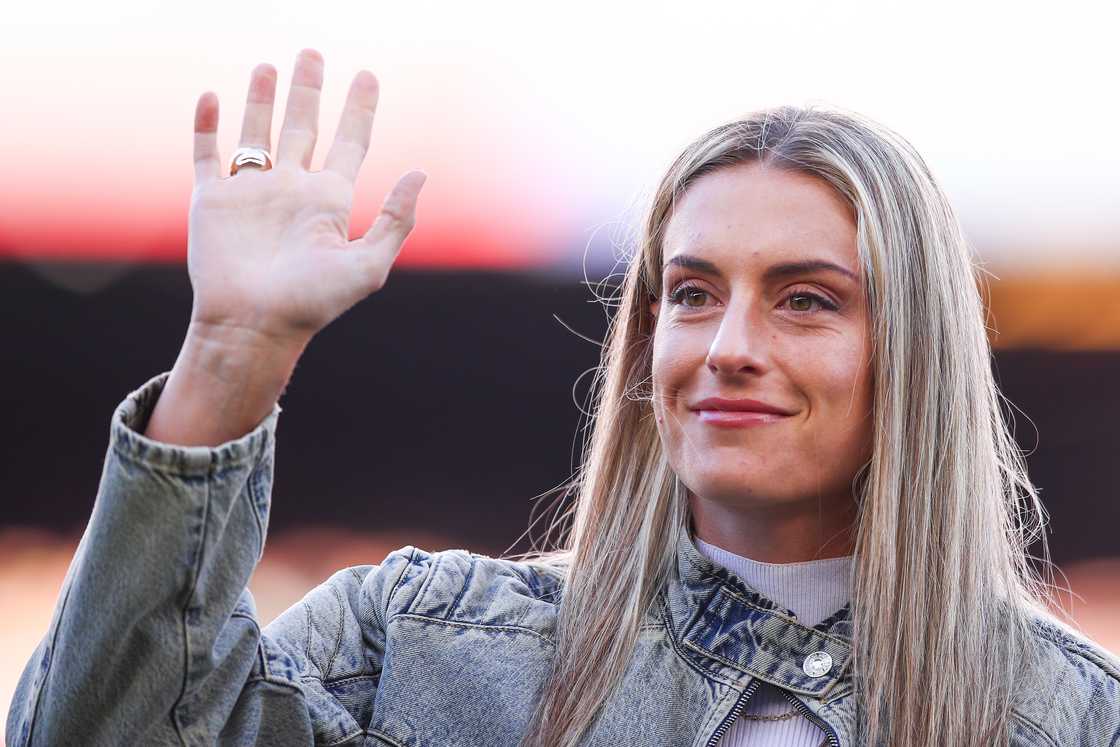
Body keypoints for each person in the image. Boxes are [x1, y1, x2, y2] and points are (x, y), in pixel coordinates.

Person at [6, 47, 1119, 747]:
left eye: (806, 301)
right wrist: (230, 349)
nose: (726, 346)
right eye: (690, 294)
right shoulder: (414, 643)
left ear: (918, 356)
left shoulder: (1071, 718)